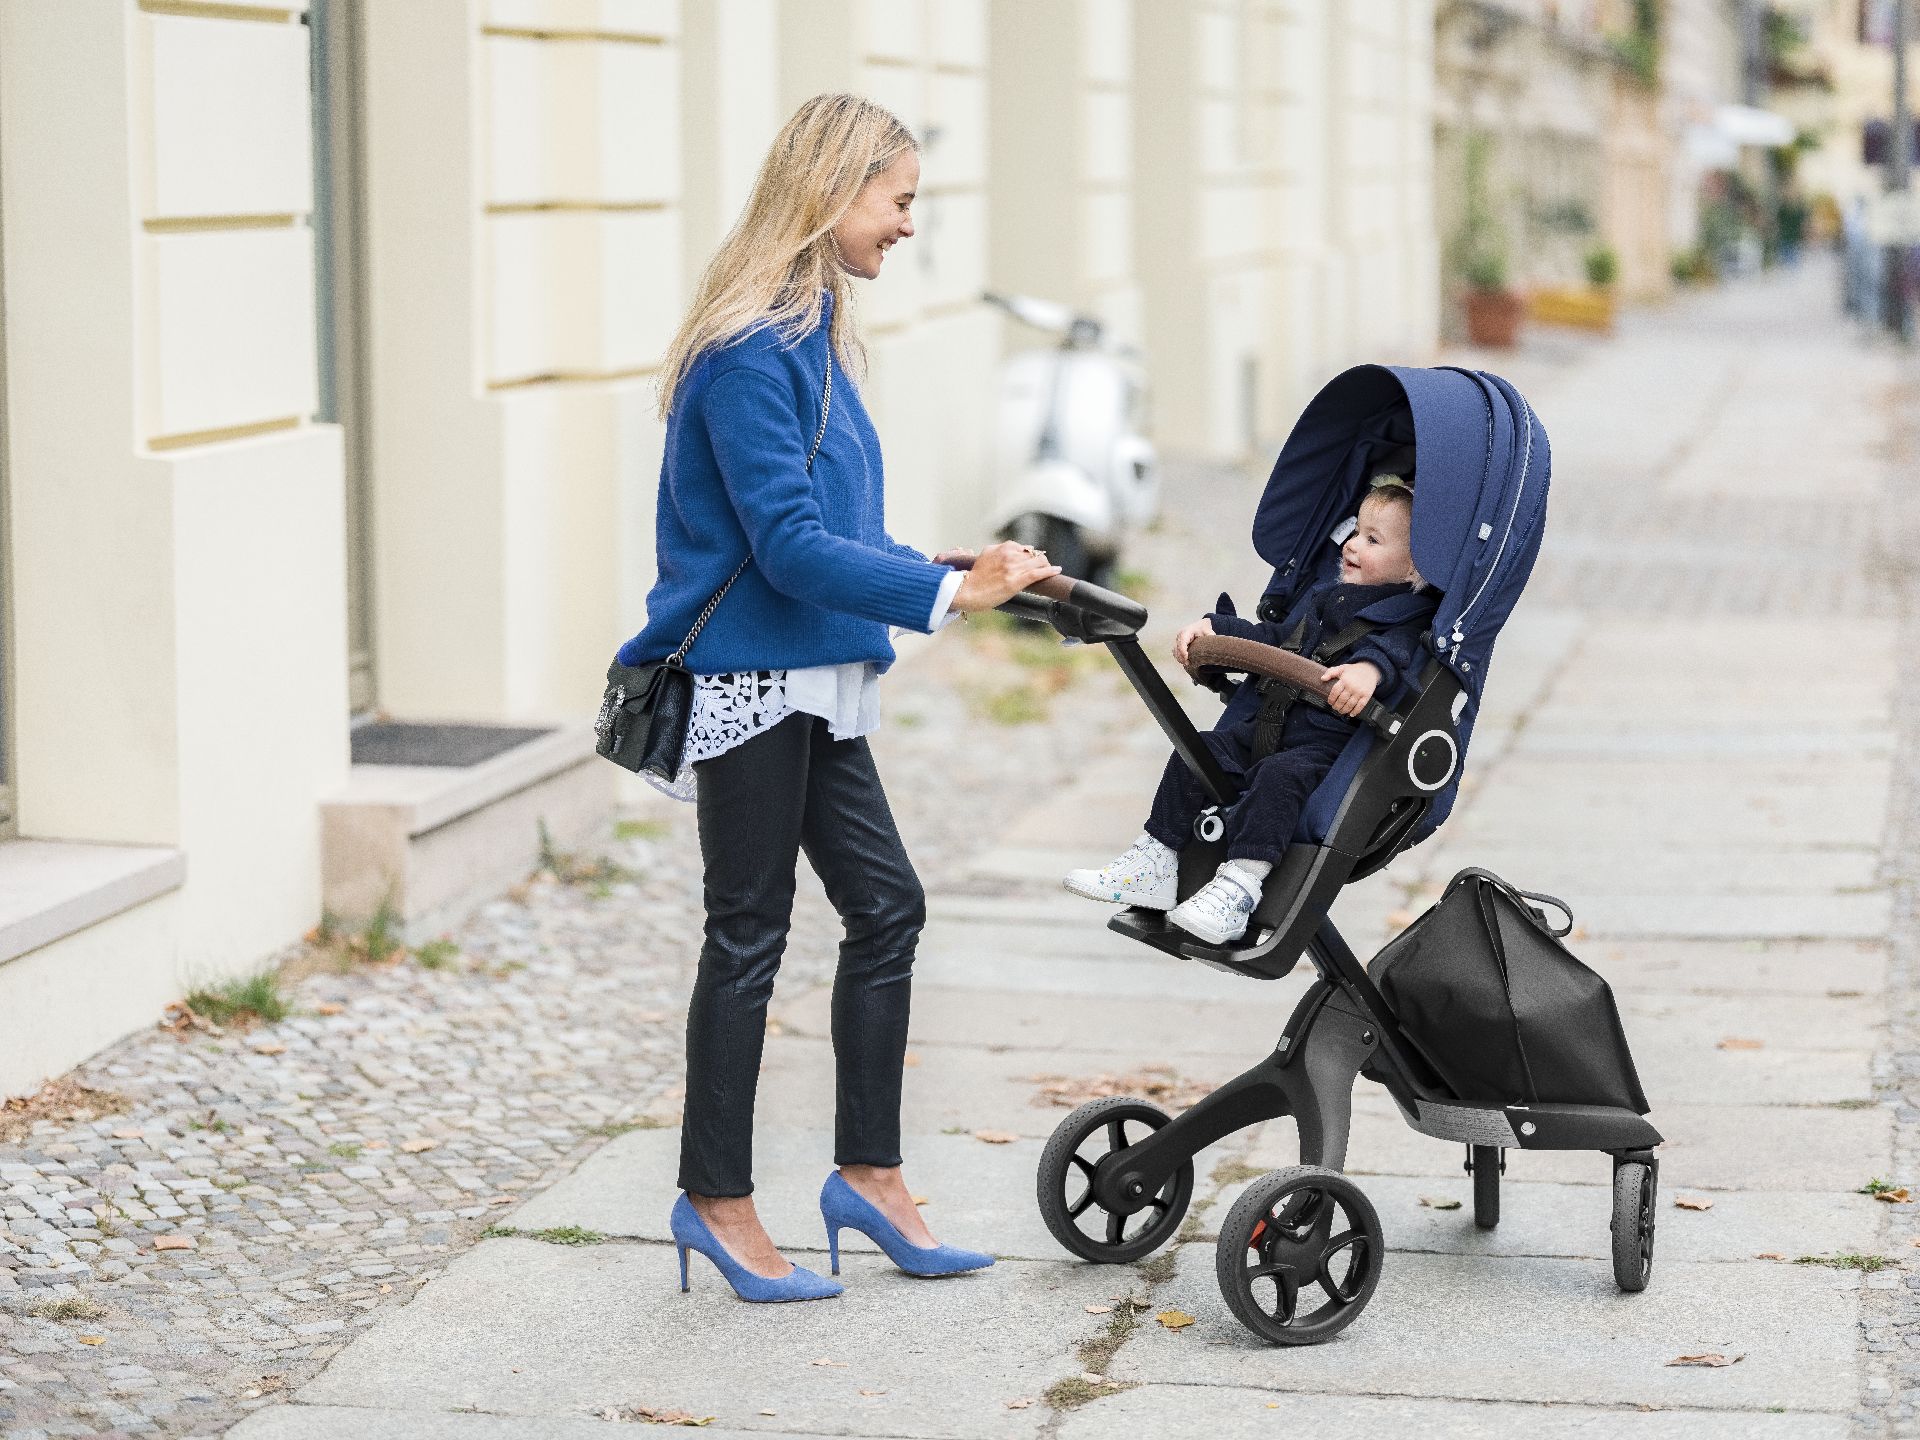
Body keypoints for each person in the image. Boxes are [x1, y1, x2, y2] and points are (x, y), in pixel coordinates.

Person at [616, 94, 1060, 1302]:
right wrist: (950, 602)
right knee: (749, 934)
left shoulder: (814, 340)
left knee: (888, 908)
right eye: (899, 198)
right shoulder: (752, 353)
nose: (910, 224)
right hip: (754, 680)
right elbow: (790, 551)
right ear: (831, 194)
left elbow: (836, 537)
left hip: (815, 675)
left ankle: (867, 1179)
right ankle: (715, 1197)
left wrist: (943, 570)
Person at [1063, 476, 1436, 945]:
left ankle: (1238, 888)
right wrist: (1216, 631)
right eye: (1355, 532)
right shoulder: (1324, 599)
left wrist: (1368, 672)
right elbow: (1278, 640)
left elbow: (1398, 656)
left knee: (1279, 778)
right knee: (1195, 752)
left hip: (1323, 752)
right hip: (1265, 728)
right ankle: (1155, 859)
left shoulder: (1406, 618)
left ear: (1414, 568)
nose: (1353, 545)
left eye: (1374, 540)